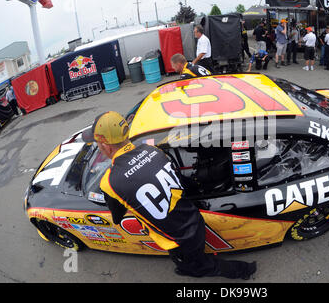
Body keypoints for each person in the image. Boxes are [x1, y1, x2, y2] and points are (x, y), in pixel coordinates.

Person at [82, 111, 257, 279]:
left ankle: (244, 270)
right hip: (192, 217)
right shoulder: (152, 149)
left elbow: (117, 217)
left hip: (178, 240)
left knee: (200, 267)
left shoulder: (109, 181)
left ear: (104, 145)